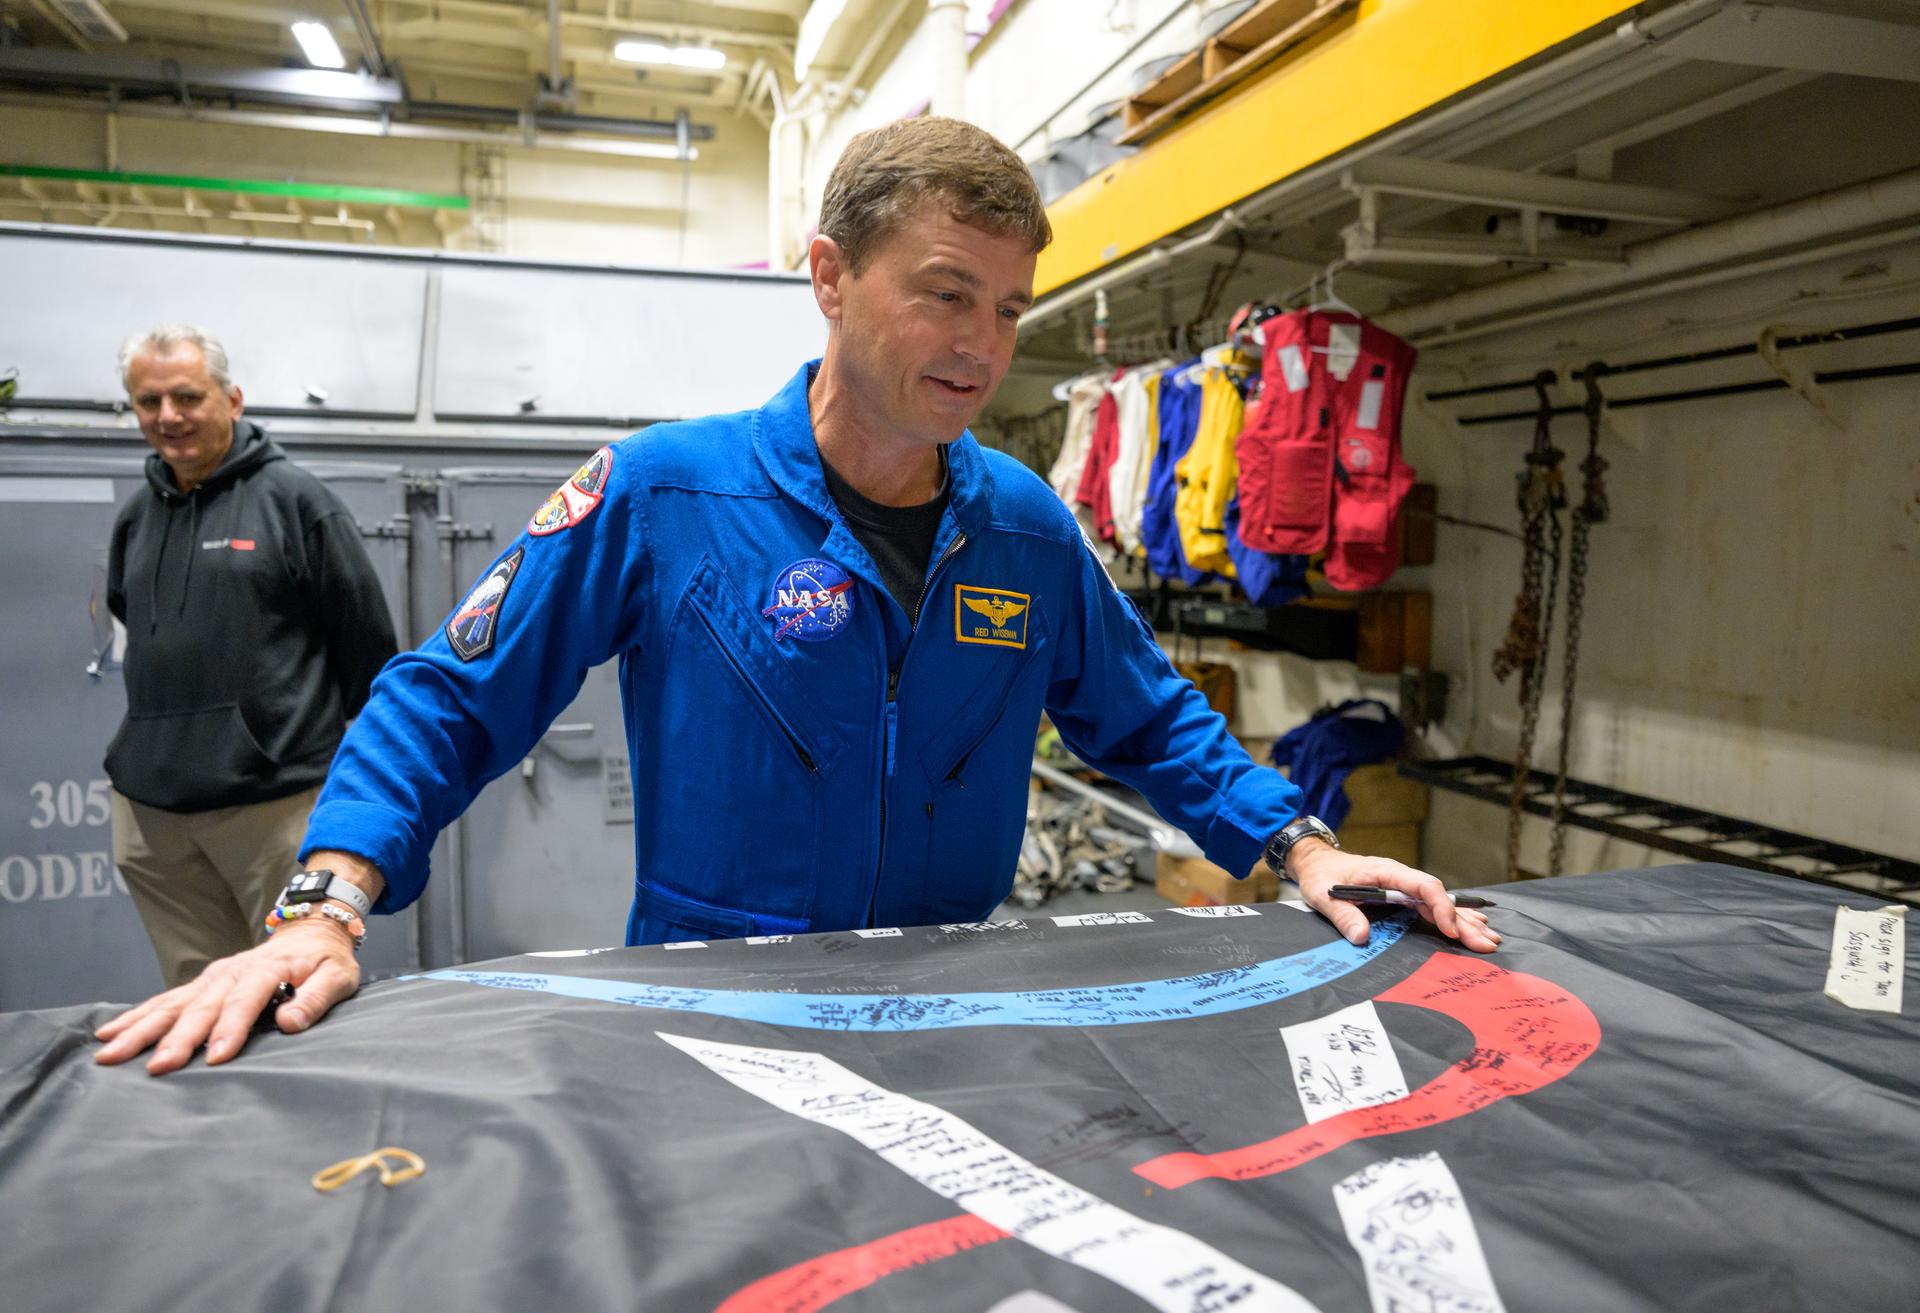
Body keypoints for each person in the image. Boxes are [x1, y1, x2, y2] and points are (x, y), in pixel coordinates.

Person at [97, 120, 1496, 1076]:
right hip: (709, 1023)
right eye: (947, 294)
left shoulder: (1021, 520)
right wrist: (323, 902)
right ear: (827, 279)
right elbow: (449, 696)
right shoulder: (663, 493)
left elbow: (1150, 718)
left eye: (1009, 308)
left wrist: (1301, 843)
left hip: (955, 1019)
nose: (982, 345)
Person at [100, 326, 397, 990]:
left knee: (293, 988)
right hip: (155, 816)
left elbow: (370, 650)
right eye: (148, 402)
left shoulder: (296, 501)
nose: (167, 417)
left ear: (232, 400)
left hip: (275, 807)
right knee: (195, 995)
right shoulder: (134, 518)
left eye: (186, 396)